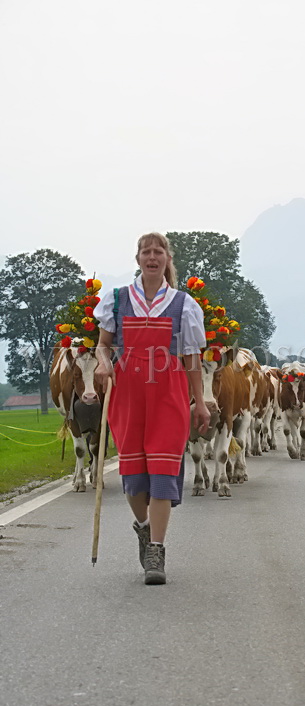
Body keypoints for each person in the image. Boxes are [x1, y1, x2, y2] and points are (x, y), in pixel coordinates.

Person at [94, 233, 210, 585]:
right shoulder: (117, 299)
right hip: (128, 391)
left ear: (167, 260)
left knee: (161, 471)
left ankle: (156, 550)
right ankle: (143, 528)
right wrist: (102, 363)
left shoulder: (183, 304)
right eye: (147, 251)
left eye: (159, 251)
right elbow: (102, 345)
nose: (153, 256)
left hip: (168, 392)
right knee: (134, 477)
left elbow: (192, 358)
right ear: (139, 258)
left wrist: (200, 401)